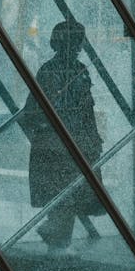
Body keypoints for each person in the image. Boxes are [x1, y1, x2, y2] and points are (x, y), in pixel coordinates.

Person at [21, 20, 104, 251]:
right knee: (73, 192)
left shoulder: (47, 70)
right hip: (72, 144)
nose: (77, 47)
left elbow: (31, 111)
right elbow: (86, 111)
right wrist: (92, 139)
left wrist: (40, 137)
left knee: (64, 195)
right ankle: (56, 238)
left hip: (54, 144)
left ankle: (56, 238)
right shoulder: (78, 71)